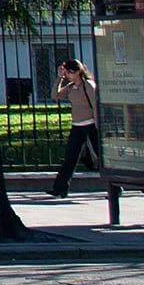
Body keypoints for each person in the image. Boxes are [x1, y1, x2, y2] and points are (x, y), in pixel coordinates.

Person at [49, 58, 101, 198]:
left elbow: (96, 106)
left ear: (78, 72)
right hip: (77, 127)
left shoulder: (88, 85)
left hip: (90, 125)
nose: (67, 75)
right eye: (66, 73)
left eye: (69, 73)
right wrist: (59, 78)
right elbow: (55, 95)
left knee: (101, 157)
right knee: (70, 158)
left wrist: (97, 126)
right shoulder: (72, 87)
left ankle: (115, 187)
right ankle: (60, 189)